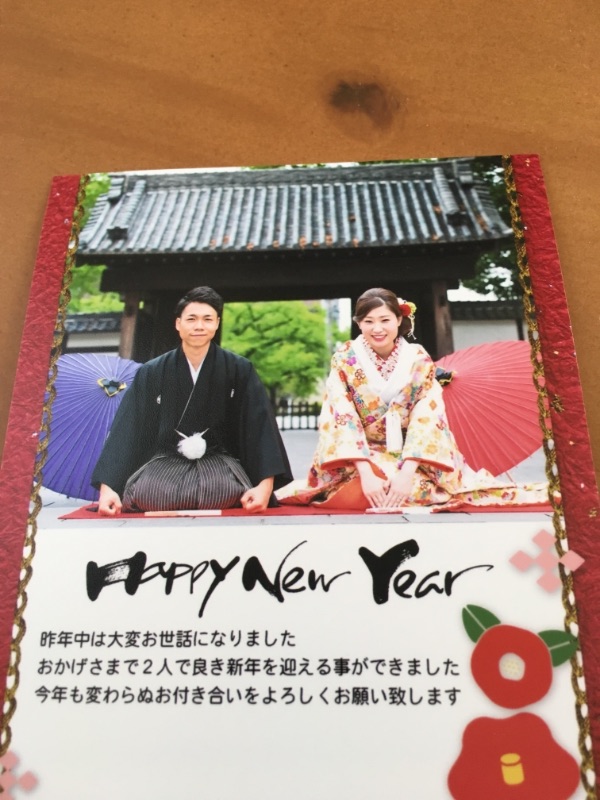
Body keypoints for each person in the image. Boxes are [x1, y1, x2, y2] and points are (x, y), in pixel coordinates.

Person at [276, 287, 547, 510]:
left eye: (385, 320)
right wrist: (366, 471)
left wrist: (407, 473)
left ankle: (394, 486)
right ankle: (371, 484)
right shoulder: (345, 359)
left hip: (411, 454)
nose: (377, 328)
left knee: (411, 486)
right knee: (362, 486)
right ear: (358, 324)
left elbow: (427, 416)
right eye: (368, 321)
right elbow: (340, 415)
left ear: (399, 319)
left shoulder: (417, 359)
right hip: (359, 456)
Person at [92, 287, 292, 515]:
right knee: (148, 494)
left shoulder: (239, 369)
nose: (199, 326)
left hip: (219, 463)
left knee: (226, 490)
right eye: (191, 319)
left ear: (217, 323)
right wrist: (108, 488)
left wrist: (265, 486)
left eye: (207, 319)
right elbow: (128, 428)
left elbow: (259, 426)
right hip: (166, 463)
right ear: (178, 324)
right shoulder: (152, 371)